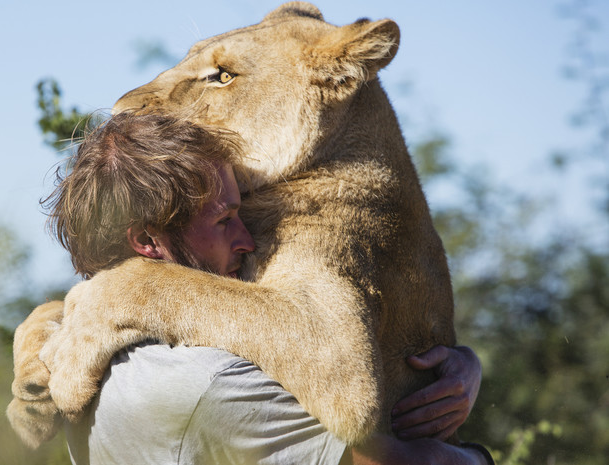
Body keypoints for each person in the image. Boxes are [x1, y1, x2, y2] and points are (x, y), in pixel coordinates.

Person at [35, 112, 493, 464]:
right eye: (224, 220)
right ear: (148, 241)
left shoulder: (80, 357)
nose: (246, 240)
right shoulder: (206, 383)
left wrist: (459, 365)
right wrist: (475, 453)